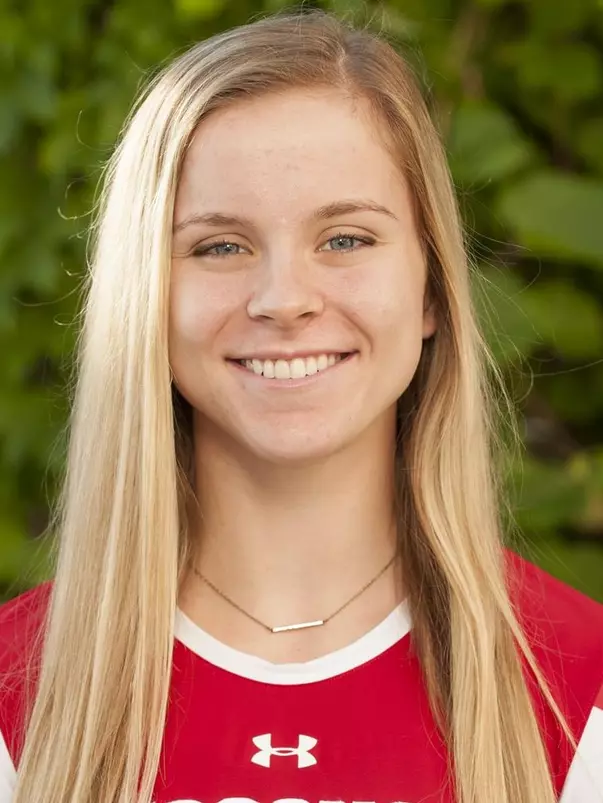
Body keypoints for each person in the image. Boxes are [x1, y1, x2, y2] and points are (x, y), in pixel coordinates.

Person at [0, 8, 602, 803]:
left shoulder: (577, 687)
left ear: (430, 289)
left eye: (345, 239)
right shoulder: (18, 697)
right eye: (220, 245)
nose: (283, 299)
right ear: (145, 294)